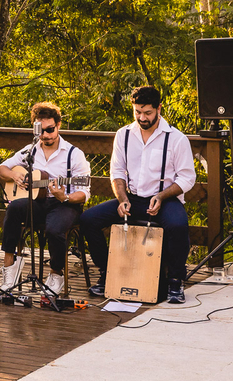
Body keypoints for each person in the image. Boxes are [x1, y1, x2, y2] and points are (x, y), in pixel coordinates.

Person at [81, 85, 197, 304]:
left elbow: (187, 178)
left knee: (178, 225)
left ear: (159, 108)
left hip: (165, 199)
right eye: (138, 112)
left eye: (147, 113)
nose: (142, 118)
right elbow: (116, 172)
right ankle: (107, 273)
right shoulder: (123, 135)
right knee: (88, 219)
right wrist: (122, 199)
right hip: (132, 198)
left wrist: (161, 197)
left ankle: (175, 281)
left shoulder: (176, 138)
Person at [0, 101, 91, 295]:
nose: (46, 135)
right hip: (38, 202)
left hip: (65, 204)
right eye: (41, 130)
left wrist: (64, 196)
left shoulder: (74, 154)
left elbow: (84, 193)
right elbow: (1, 169)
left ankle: (56, 275)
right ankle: (9, 270)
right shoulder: (30, 150)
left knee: (54, 229)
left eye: (50, 129)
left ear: (58, 125)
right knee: (13, 209)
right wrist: (15, 176)